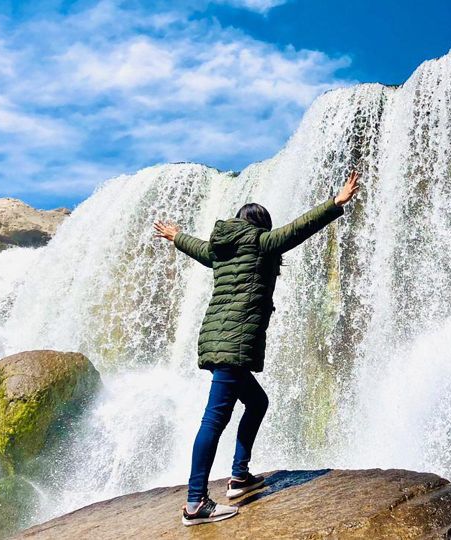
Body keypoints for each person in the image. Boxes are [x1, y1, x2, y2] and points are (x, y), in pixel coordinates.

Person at [153, 171, 361, 526]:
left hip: (217, 341)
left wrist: (176, 236)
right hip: (234, 344)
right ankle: (195, 502)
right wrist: (335, 203)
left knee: (257, 402)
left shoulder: (221, 251)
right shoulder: (262, 242)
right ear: (261, 225)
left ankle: (239, 476)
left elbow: (198, 248)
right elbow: (298, 229)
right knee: (214, 419)